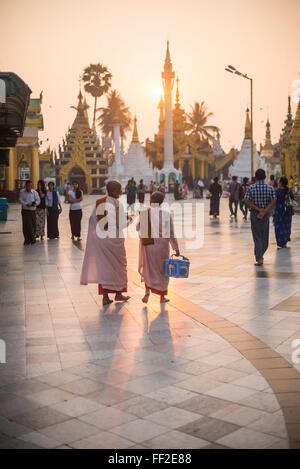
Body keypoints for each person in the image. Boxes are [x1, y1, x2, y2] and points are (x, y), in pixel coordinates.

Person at [80, 180, 130, 306]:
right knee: (119, 267)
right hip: (115, 242)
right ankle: (118, 294)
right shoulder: (117, 204)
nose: (121, 192)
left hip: (102, 242)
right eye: (119, 190)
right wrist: (129, 220)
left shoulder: (99, 202)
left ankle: (105, 297)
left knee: (104, 268)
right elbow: (122, 224)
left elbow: (92, 220)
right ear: (113, 191)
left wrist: (96, 238)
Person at [137, 191, 180, 304]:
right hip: (162, 247)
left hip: (149, 246)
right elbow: (171, 234)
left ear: (151, 201)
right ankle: (162, 297)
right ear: (161, 202)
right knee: (162, 271)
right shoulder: (165, 214)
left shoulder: (145, 213)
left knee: (149, 269)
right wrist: (176, 248)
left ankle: (147, 291)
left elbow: (138, 227)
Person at [244, 169, 277, 266]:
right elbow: (274, 200)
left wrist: (258, 209)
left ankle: (259, 257)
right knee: (264, 235)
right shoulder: (270, 188)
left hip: (255, 213)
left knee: (257, 235)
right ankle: (260, 254)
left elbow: (246, 200)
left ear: (255, 177)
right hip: (265, 214)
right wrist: (264, 211)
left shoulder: (251, 188)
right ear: (265, 177)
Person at [274, 176, 295, 249]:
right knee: (286, 226)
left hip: (279, 211)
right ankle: (285, 242)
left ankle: (281, 242)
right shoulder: (289, 191)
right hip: (287, 210)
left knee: (279, 227)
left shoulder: (277, 191)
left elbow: (273, 201)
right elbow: (292, 200)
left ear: (281, 183)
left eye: (279, 181)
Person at [19, 180, 40, 245]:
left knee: (33, 225)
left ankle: (31, 238)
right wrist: (26, 204)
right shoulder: (22, 192)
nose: (30, 187)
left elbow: (38, 200)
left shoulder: (34, 192)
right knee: (27, 225)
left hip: (32, 210)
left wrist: (35, 203)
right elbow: (20, 200)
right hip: (25, 210)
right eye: (28, 186)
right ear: (26, 186)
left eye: (31, 186)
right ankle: (28, 239)